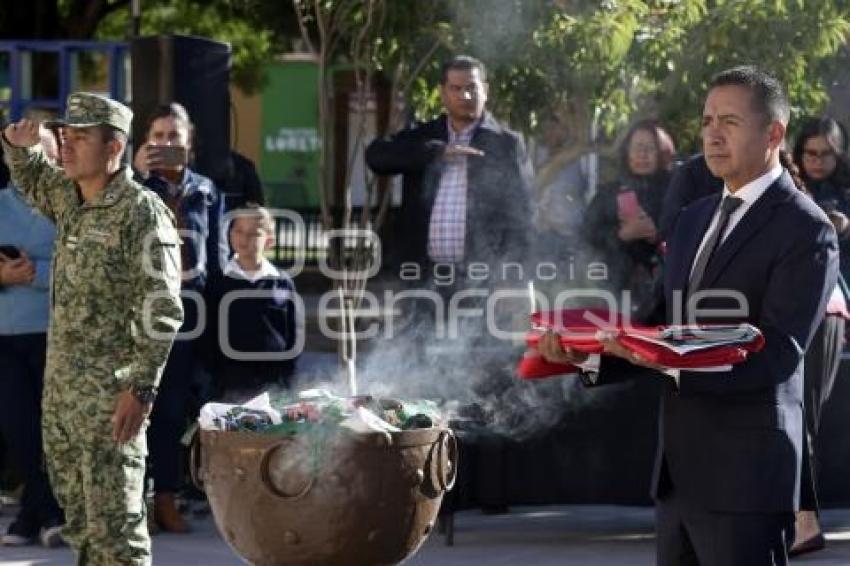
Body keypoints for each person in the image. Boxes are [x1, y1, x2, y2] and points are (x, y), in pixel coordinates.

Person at [539, 66, 839, 565]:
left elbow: (778, 354)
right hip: (677, 479)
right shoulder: (694, 216)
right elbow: (657, 322)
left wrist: (671, 361)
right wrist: (586, 354)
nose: (713, 134)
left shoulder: (806, 230)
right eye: (706, 121)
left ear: (774, 133)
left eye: (730, 121)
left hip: (747, 482)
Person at [1, 92, 184, 565]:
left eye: (81, 138)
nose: (66, 146)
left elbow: (160, 307)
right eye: (65, 136)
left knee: (117, 535)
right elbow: (34, 179)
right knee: (81, 528)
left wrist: (140, 388)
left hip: (111, 399)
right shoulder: (70, 197)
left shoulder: (141, 212)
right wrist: (16, 146)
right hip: (62, 398)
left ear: (114, 148)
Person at [133, 102, 227, 533]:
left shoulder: (206, 189)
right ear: (146, 142)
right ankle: (134, 500)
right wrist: (134, 175)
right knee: (136, 403)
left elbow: (216, 252)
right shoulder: (130, 186)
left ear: (189, 141)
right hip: (139, 307)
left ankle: (166, 498)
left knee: (171, 408)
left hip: (188, 307)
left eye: (175, 136)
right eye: (158, 136)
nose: (167, 143)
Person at [365, 55, 532, 272]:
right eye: (456, 88)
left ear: (486, 91)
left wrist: (512, 275)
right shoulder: (423, 137)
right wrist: (435, 153)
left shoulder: (506, 144)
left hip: (482, 277)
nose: (465, 95)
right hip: (422, 276)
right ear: (443, 93)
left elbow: (523, 212)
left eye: (472, 87)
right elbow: (376, 156)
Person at [0, 125, 64, 548]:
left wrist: (36, 273)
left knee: (52, 431)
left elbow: (87, 270)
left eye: (41, 150)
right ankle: (43, 510)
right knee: (18, 429)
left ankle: (35, 515)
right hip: (5, 336)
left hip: (54, 335)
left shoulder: (68, 205)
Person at [789, 119, 850, 555]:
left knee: (802, 417)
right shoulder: (788, 185)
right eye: (810, 153)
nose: (817, 162)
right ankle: (799, 519)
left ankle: (805, 521)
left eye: (825, 154)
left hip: (828, 307)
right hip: (794, 307)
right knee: (792, 416)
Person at [203, 204, 299, 401]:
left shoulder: (282, 282)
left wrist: (287, 376)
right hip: (230, 384)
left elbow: (293, 334)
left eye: (254, 233)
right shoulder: (218, 282)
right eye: (238, 231)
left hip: (273, 384)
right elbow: (207, 334)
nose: (244, 238)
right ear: (230, 235)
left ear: (269, 241)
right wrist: (216, 375)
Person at [583, 119, 676, 311]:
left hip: (666, 296)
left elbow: (693, 235)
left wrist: (657, 235)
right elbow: (586, 235)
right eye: (637, 147)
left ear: (661, 152)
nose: (642, 154)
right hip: (612, 293)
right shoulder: (608, 192)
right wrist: (621, 235)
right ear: (626, 152)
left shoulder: (676, 190)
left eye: (650, 148)